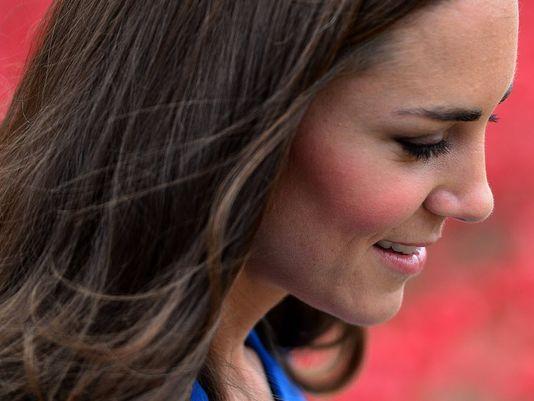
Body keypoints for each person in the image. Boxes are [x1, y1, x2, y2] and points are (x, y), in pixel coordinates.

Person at [0, 0, 517, 400]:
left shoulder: (253, 362)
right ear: (229, 118)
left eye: (489, 119)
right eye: (421, 142)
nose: (478, 200)